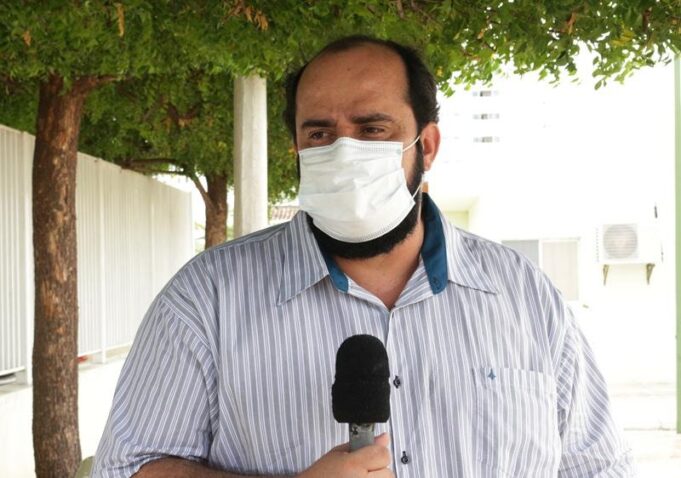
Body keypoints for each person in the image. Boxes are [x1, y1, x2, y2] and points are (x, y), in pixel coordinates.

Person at [92, 35, 636, 477]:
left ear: (426, 146)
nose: (344, 151)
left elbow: (598, 467)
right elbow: (126, 468)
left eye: (372, 129)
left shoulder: (525, 295)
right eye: (320, 133)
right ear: (297, 147)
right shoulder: (206, 298)